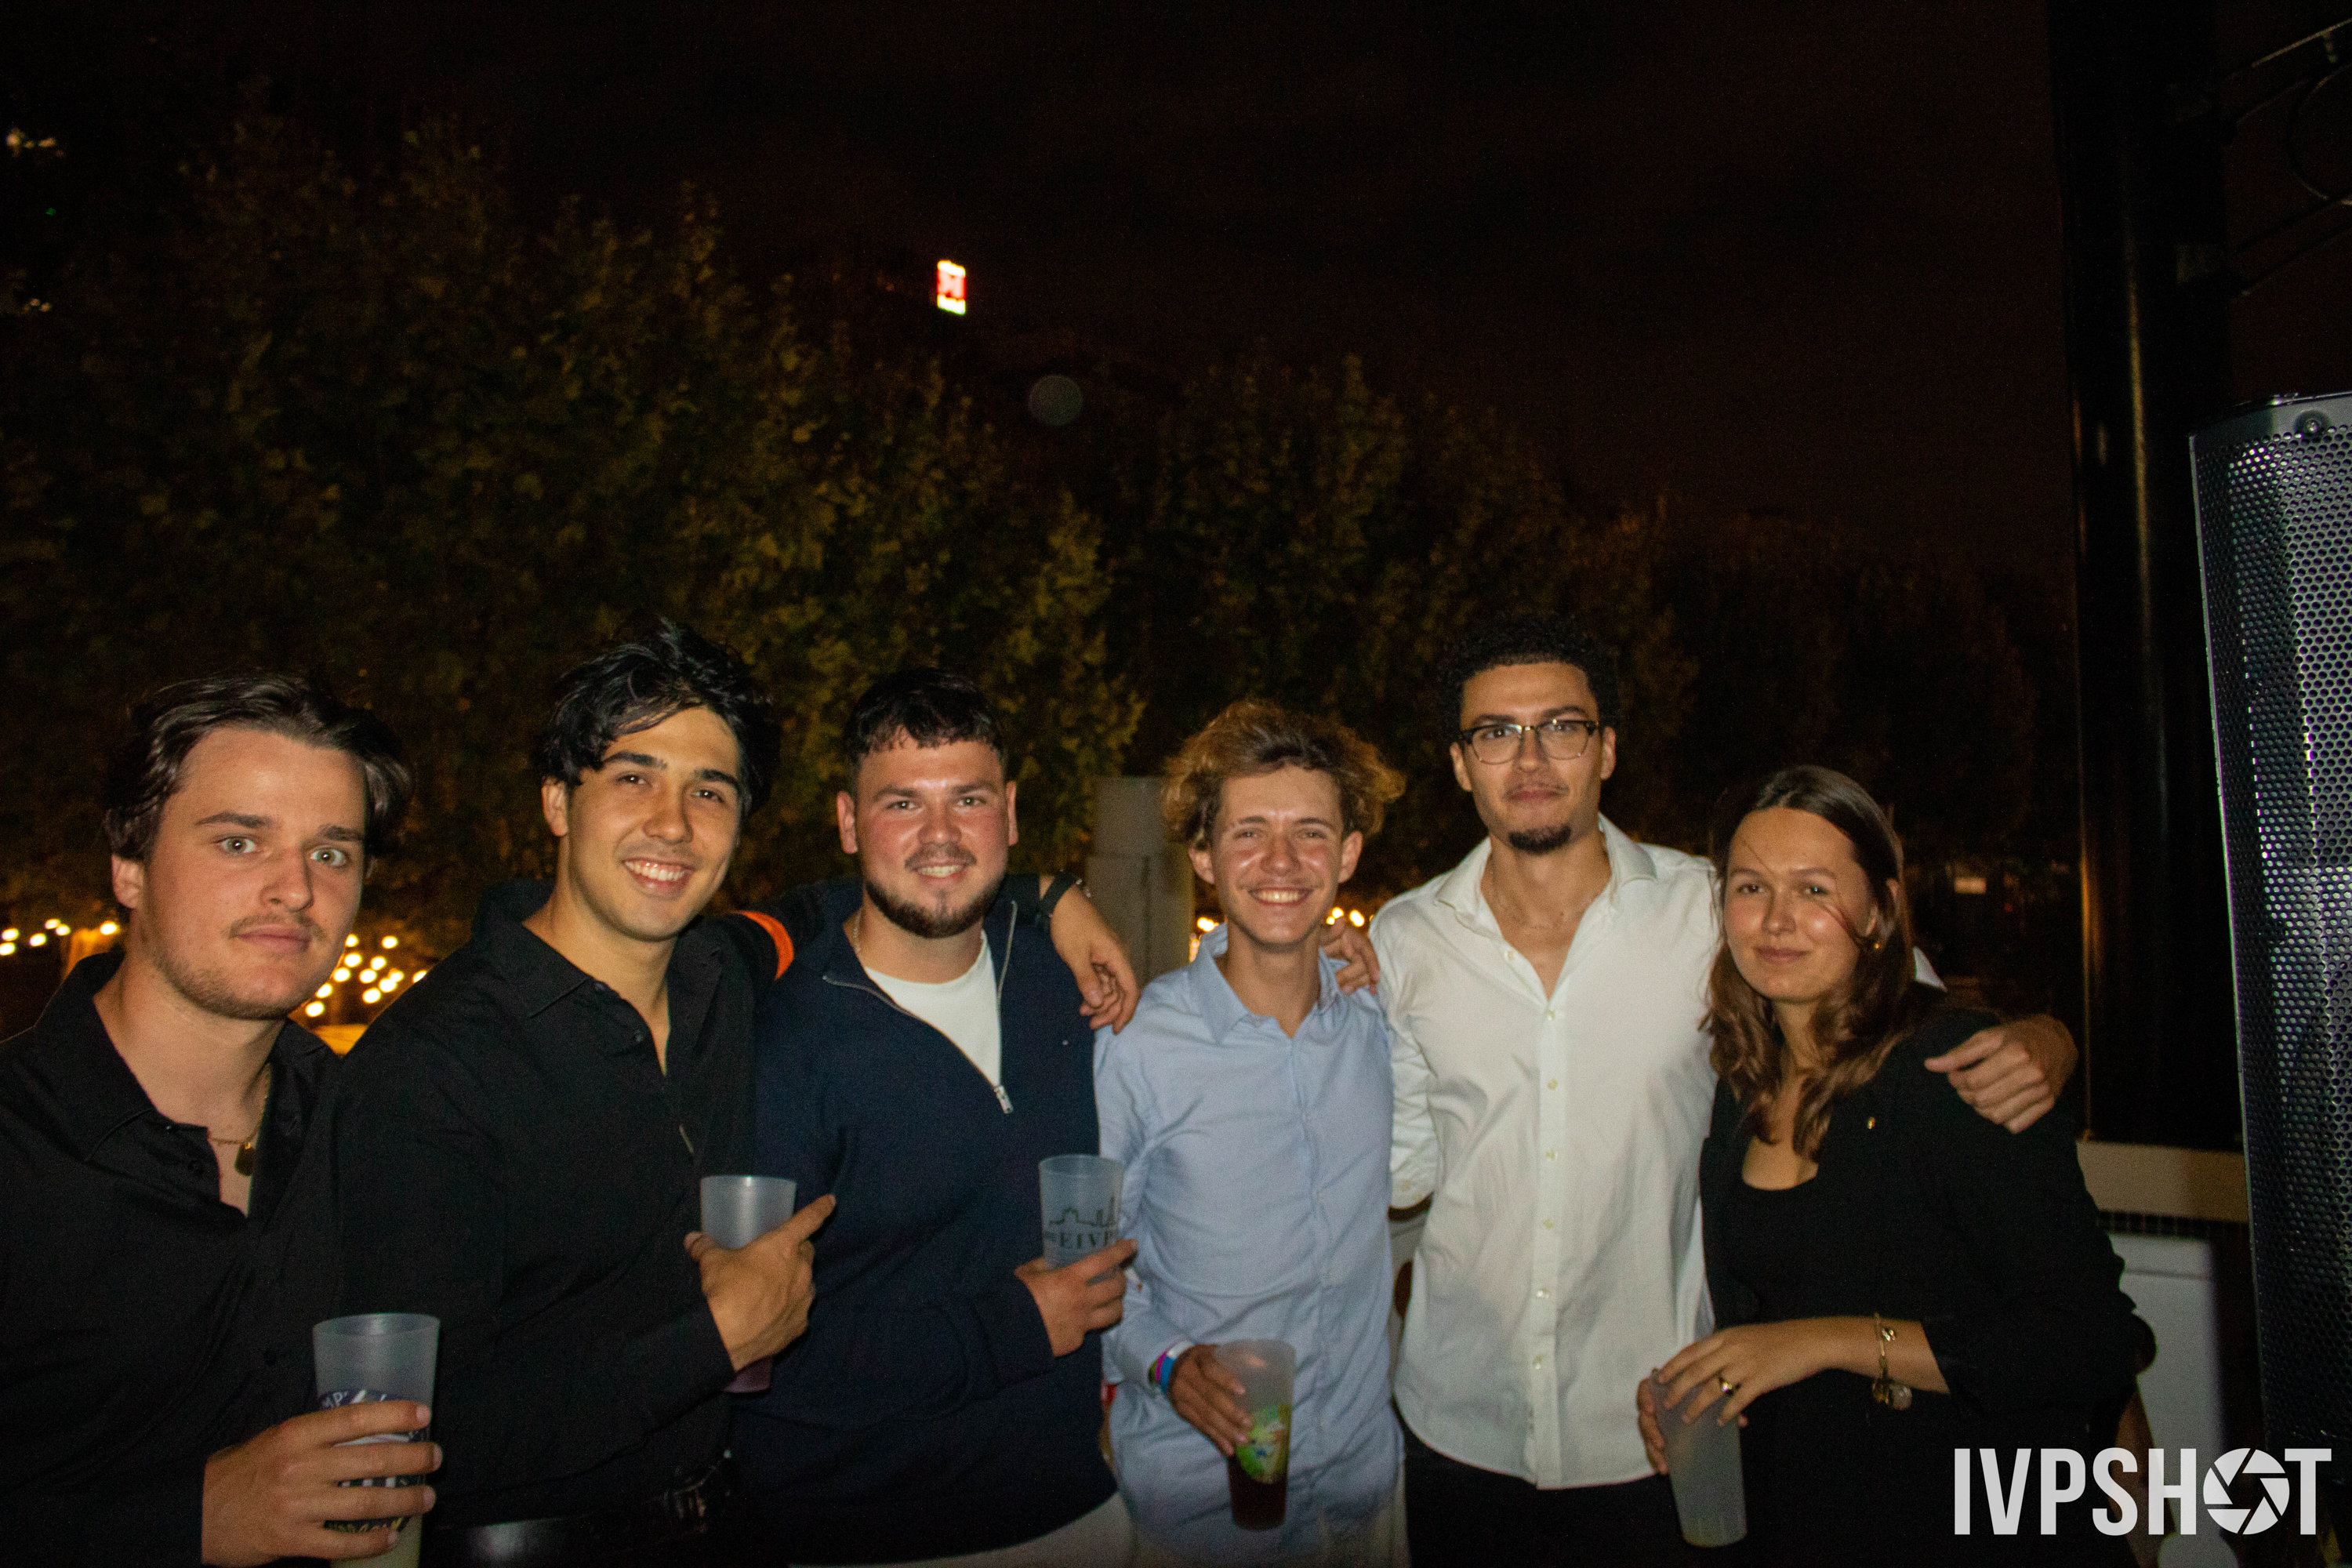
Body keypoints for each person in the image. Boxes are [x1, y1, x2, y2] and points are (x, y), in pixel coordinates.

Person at [1370, 613, 2083, 1566]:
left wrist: (2047, 1037)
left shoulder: (1713, 906)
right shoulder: (1405, 938)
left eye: (1562, 727)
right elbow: (1401, 1172)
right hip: (1457, 1426)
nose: (1530, 758)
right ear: (1462, 764)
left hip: (1666, 1429)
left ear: (1607, 748)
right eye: (1497, 732)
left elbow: (1886, 982)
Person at [1641, 767, 2139, 1565]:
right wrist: (1711, 1383)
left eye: (1813, 889)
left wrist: (1825, 1342)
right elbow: (1771, 1311)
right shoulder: (1741, 1084)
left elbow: (2089, 1339)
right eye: (1750, 887)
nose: (1776, 919)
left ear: (1878, 909)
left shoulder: (1950, 1068)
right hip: (1808, 1518)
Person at [2, 673, 439, 1566]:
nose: (295, 889)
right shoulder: (21, 1144)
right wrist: (190, 1518)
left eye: (332, 853)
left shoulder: (372, 1132)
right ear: (128, 865)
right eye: (240, 842)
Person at [738, 667, 1137, 1566]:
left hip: (1072, 1511)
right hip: (860, 1535)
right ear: (848, 822)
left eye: (969, 798)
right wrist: (1010, 1326)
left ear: (1011, 812)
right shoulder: (784, 1041)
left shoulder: (1062, 984)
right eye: (902, 803)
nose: (942, 834)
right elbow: (757, 1354)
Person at [1098, 701, 1408, 1566]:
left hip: (1364, 1493)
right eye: (1249, 833)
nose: (1281, 861)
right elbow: (1085, 1258)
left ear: (1348, 853)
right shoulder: (1138, 1046)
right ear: (1202, 855)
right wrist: (1167, 1363)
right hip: (1203, 1509)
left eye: (1311, 832)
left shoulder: (1381, 1025)